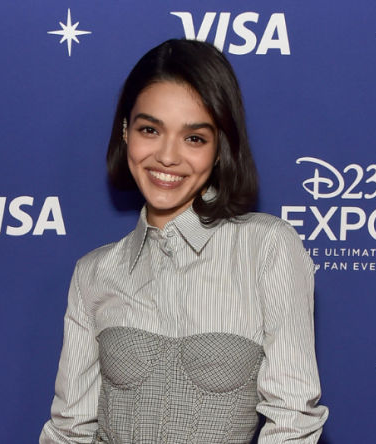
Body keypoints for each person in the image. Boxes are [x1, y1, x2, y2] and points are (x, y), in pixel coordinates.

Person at [40, 39, 328, 444]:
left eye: (194, 138)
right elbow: (70, 431)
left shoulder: (267, 247)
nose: (168, 156)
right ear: (126, 132)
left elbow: (293, 420)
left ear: (219, 147)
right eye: (150, 130)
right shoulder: (94, 273)